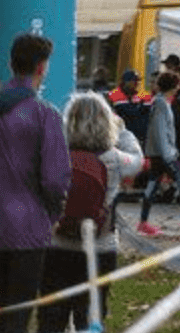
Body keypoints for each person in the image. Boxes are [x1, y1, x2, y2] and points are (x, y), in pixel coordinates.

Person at [0, 33, 71, 333]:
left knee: (6, 308)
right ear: (42, 68)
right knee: (19, 311)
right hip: (28, 225)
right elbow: (55, 178)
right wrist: (55, 213)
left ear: (10, 64)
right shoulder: (45, 115)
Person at [39, 92, 128, 333]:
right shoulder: (115, 159)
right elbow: (139, 160)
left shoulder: (56, 155)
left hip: (57, 243)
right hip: (100, 246)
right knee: (89, 317)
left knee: (51, 317)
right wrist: (125, 131)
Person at [136, 71, 180, 236]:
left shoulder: (161, 102)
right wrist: (168, 153)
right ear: (174, 86)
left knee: (153, 185)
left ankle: (143, 222)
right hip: (165, 154)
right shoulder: (162, 104)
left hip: (159, 153)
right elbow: (160, 131)